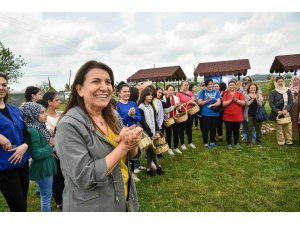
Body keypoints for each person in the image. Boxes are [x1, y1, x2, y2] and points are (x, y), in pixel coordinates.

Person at [54, 60, 143, 212]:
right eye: (96, 81)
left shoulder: (112, 116)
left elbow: (132, 155)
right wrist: (123, 147)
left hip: (121, 198)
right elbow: (85, 176)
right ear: (79, 89)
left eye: (108, 82)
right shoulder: (68, 126)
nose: (105, 87)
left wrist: (132, 141)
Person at [0, 72, 30, 212]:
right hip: (5, 167)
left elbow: (26, 133)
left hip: (22, 162)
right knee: (17, 207)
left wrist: (24, 145)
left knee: (23, 202)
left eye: (4, 84)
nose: (1, 87)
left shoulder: (14, 110)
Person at [20, 102, 57, 212]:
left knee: (47, 195)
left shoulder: (39, 127)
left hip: (45, 165)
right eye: (41, 113)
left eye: (45, 112)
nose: (45, 115)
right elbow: (37, 154)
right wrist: (50, 145)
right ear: (31, 115)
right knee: (46, 196)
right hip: (42, 167)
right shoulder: (33, 131)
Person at [42, 91, 64, 211]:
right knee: (58, 178)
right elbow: (49, 134)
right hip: (54, 153)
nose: (60, 102)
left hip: (65, 149)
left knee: (66, 176)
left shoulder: (60, 114)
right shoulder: (45, 117)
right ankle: (59, 202)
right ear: (49, 102)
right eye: (57, 100)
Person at [116, 82, 142, 181]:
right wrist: (128, 115)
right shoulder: (117, 105)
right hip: (124, 133)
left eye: (128, 91)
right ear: (119, 93)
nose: (127, 93)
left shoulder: (133, 103)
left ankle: (133, 170)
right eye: (124, 91)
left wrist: (133, 116)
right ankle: (128, 173)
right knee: (126, 153)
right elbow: (118, 122)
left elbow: (139, 118)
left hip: (135, 132)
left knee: (135, 151)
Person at [138, 87, 164, 176]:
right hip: (146, 133)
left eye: (152, 95)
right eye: (148, 95)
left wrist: (157, 131)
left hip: (153, 132)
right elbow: (143, 122)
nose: (150, 97)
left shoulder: (151, 106)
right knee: (152, 150)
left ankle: (149, 169)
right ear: (144, 95)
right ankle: (157, 167)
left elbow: (154, 120)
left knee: (150, 151)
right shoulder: (140, 107)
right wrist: (150, 134)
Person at [197, 79, 221, 149]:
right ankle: (206, 143)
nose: (210, 85)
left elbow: (219, 102)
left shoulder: (216, 92)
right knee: (206, 129)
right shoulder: (203, 92)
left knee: (213, 129)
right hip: (205, 114)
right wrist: (206, 101)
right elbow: (199, 102)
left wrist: (212, 105)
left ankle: (212, 142)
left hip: (215, 114)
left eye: (211, 84)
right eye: (209, 84)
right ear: (206, 85)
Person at [269, 76, 293, 146]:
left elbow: (290, 101)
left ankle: (289, 141)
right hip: (278, 112)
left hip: (287, 112)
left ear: (283, 81)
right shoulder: (273, 92)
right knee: (279, 128)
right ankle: (281, 142)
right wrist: (277, 111)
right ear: (276, 82)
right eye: (278, 81)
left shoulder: (288, 90)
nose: (280, 83)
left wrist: (286, 109)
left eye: (281, 81)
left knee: (288, 128)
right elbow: (271, 103)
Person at [222, 80, 245, 149]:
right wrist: (230, 100)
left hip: (237, 116)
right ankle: (229, 143)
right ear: (228, 86)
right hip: (228, 116)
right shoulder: (225, 94)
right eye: (230, 85)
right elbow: (223, 104)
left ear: (235, 86)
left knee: (236, 130)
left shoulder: (240, 93)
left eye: (233, 85)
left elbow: (243, 103)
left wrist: (236, 100)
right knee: (228, 130)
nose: (232, 86)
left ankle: (236, 143)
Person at [176, 81, 197, 150]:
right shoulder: (178, 94)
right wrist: (187, 103)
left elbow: (194, 103)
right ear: (181, 86)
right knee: (182, 128)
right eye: (184, 85)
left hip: (191, 112)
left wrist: (192, 102)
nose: (186, 86)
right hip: (183, 113)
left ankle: (190, 142)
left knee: (189, 128)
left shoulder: (191, 93)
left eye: (187, 85)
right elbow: (178, 105)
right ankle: (182, 144)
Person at [162, 84, 182, 155]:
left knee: (176, 133)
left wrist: (179, 107)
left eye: (173, 90)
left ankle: (176, 147)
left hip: (175, 117)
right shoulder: (163, 98)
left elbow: (179, 109)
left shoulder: (176, 97)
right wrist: (174, 106)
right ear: (166, 90)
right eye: (170, 90)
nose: (171, 91)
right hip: (168, 119)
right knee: (168, 134)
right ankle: (169, 148)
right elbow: (165, 110)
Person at [241, 76, 256, 142]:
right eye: (245, 80)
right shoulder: (241, 89)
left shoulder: (254, 88)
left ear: (251, 81)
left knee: (252, 124)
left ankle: (253, 137)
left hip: (252, 109)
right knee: (244, 123)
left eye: (248, 80)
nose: (247, 81)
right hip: (243, 109)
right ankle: (244, 136)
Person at [289, 76, 300, 140]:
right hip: (293, 105)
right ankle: (294, 132)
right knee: (294, 119)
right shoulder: (289, 87)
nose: (296, 81)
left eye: (297, 80)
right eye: (294, 80)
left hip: (299, 104)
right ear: (292, 81)